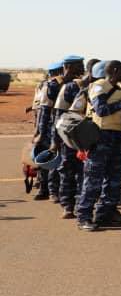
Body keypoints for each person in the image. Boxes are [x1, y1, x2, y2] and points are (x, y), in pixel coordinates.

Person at [77, 60, 121, 231]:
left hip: (117, 137)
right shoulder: (99, 86)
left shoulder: (120, 90)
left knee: (114, 179)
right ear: (114, 70)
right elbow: (101, 110)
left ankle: (105, 214)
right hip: (101, 137)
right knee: (93, 180)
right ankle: (84, 217)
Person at [51, 55, 86, 219]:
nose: (82, 68)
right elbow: (58, 117)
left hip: (85, 137)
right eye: (80, 65)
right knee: (67, 172)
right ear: (69, 67)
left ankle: (80, 206)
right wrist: (55, 140)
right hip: (69, 138)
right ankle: (67, 206)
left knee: (83, 173)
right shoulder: (69, 87)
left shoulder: (88, 85)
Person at [32, 62, 63, 201]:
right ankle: (46, 190)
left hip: (61, 128)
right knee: (47, 159)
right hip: (50, 128)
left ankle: (52, 190)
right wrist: (40, 132)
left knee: (57, 160)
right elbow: (43, 111)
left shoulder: (68, 84)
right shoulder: (50, 86)